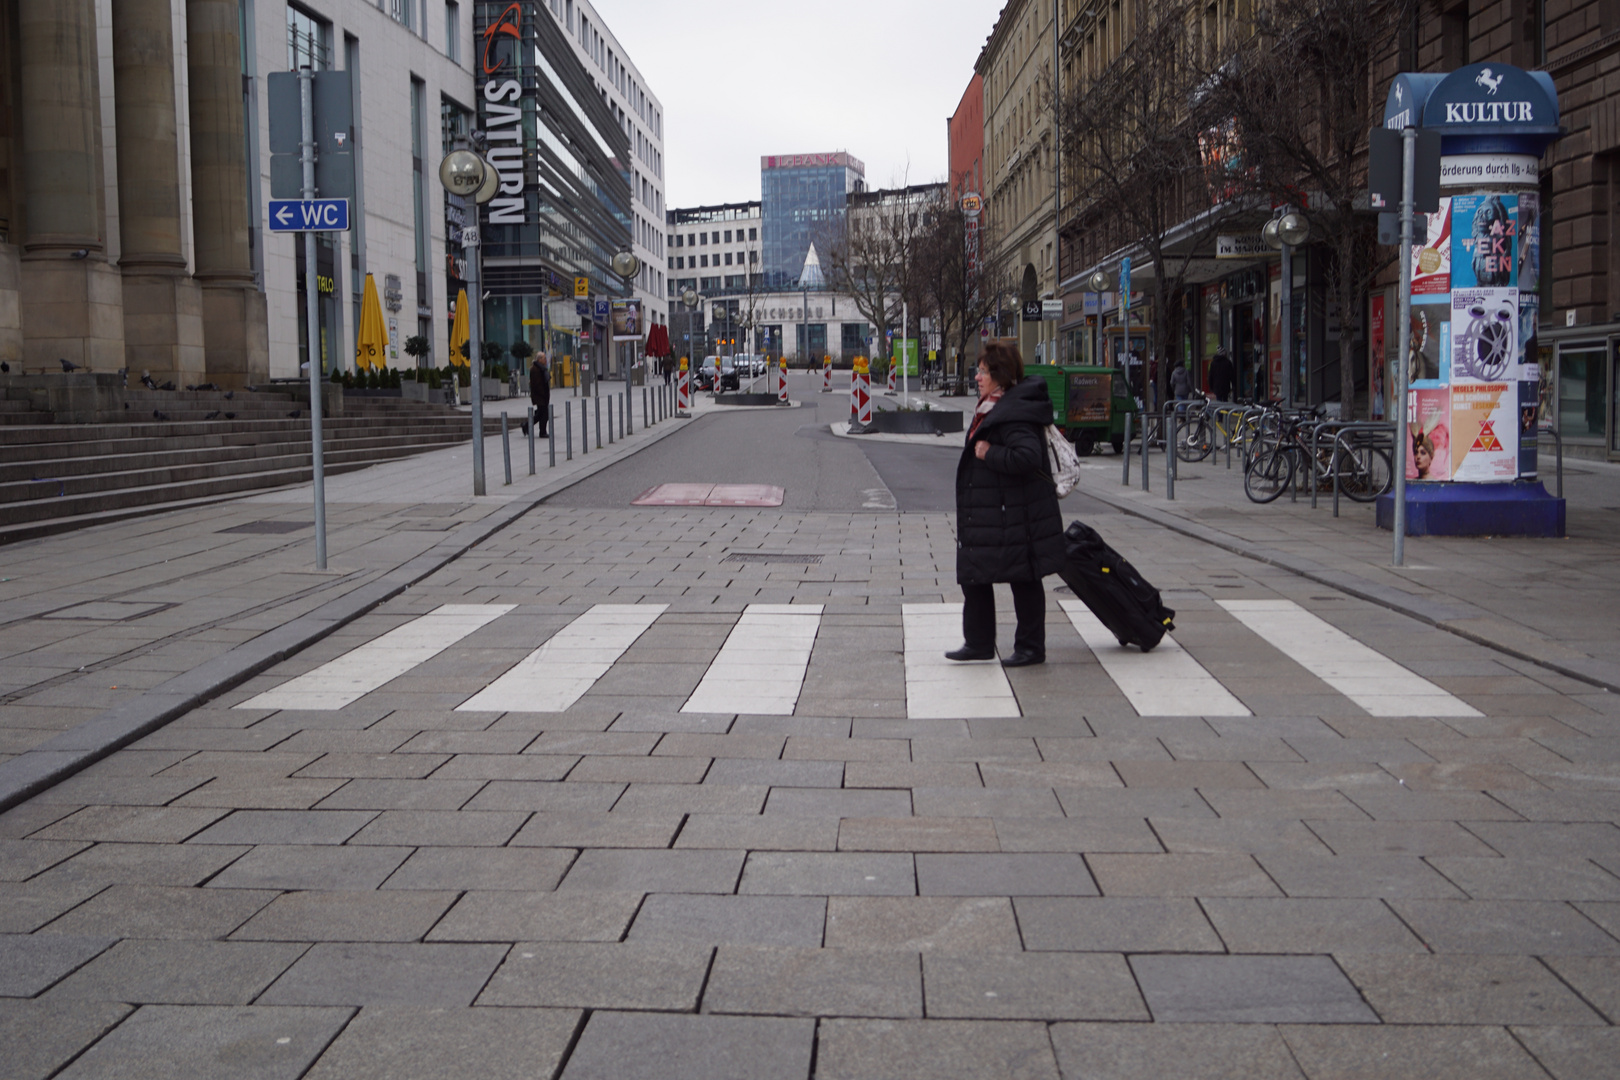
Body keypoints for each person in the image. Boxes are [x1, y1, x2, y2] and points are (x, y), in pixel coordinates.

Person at [949, 342, 1066, 668]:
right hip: (994, 512)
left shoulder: (1013, 412)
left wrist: (990, 453)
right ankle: (978, 642)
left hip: (1015, 514)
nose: (977, 377)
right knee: (975, 576)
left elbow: (1027, 457)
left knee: (1024, 578)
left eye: (983, 371)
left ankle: (1030, 648)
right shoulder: (994, 406)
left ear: (999, 375)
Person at [525, 353, 550, 436]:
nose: (545, 360)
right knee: (542, 414)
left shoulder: (541, 368)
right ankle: (540, 431)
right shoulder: (535, 369)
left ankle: (540, 430)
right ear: (539, 359)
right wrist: (543, 393)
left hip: (543, 396)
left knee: (542, 414)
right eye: (543, 358)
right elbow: (536, 384)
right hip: (539, 396)